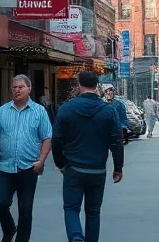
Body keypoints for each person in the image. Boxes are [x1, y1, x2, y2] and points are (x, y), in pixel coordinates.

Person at [53, 70, 124, 242]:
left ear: (78, 85)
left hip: (73, 168)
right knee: (93, 212)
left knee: (71, 208)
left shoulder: (66, 109)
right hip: (97, 170)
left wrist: (60, 163)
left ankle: (76, 237)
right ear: (97, 86)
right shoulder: (108, 111)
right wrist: (118, 167)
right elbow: (116, 142)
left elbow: (56, 140)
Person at [0, 75, 53, 242]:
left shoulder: (39, 111)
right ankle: (9, 229)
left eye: (21, 87)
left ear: (29, 89)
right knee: (0, 204)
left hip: (29, 168)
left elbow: (47, 137)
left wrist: (41, 160)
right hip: (5, 167)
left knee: (25, 209)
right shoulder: (2, 111)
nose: (17, 90)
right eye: (14, 87)